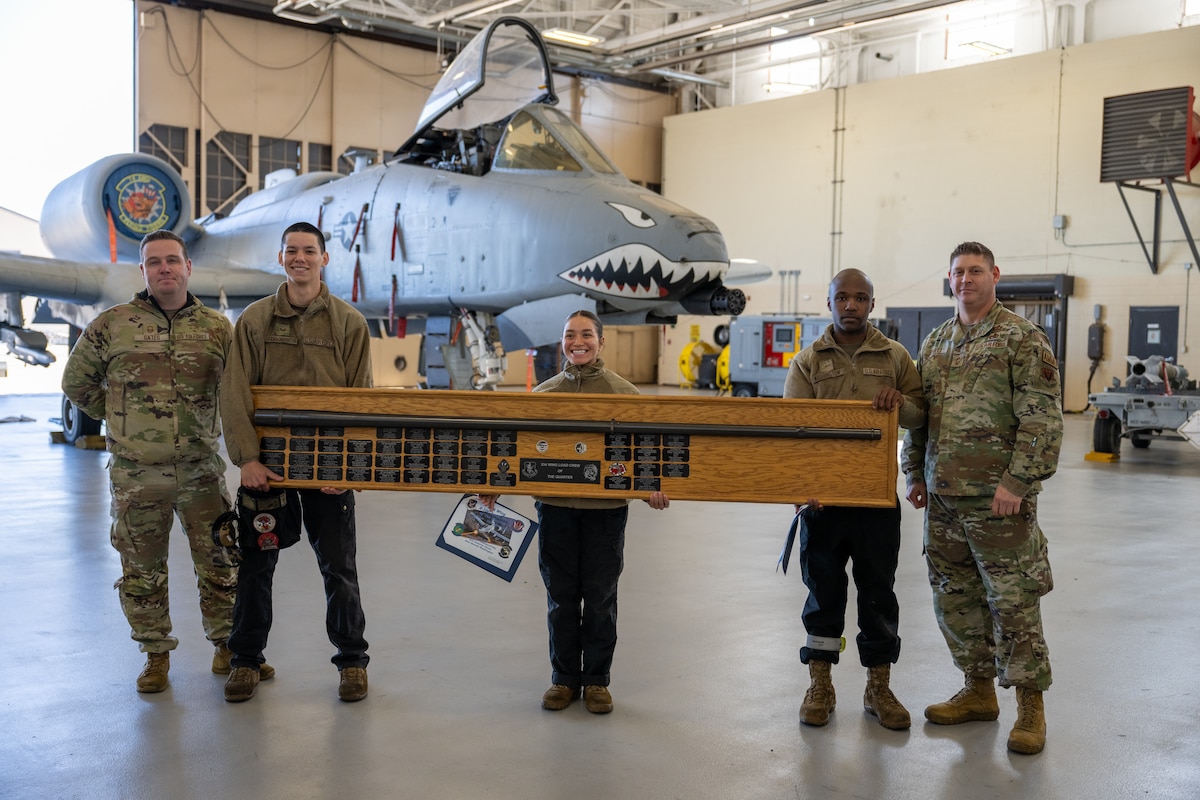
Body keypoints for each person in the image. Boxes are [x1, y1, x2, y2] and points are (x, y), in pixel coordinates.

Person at [61, 230, 266, 692]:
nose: (164, 269)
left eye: (172, 260)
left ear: (189, 267)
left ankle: (227, 648)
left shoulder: (217, 329)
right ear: (143, 271)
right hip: (137, 476)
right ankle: (155, 655)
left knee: (221, 564)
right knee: (141, 570)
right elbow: (77, 383)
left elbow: (235, 395)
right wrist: (121, 420)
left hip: (200, 471)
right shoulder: (112, 324)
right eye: (154, 262)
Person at [902, 241, 1062, 755]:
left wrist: (1017, 483)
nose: (966, 279)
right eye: (958, 272)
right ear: (949, 279)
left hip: (998, 502)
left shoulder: (1021, 338)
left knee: (1012, 603)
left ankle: (1030, 708)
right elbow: (921, 417)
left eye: (975, 270)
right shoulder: (936, 342)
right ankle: (977, 691)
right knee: (955, 600)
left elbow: (1042, 419)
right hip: (944, 499)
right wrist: (915, 472)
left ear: (994, 274)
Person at [480, 310, 668, 714]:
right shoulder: (544, 396)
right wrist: (496, 482)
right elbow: (518, 449)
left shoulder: (625, 395)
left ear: (602, 342)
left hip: (606, 514)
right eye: (569, 335)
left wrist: (651, 486)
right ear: (561, 341)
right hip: (556, 512)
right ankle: (564, 679)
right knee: (561, 598)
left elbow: (644, 454)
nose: (577, 341)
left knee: (600, 599)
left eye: (586, 334)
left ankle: (597, 681)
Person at [220, 221, 374, 703]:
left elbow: (361, 402)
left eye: (309, 251)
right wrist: (246, 458)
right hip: (267, 472)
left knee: (340, 571)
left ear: (324, 259)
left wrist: (348, 469)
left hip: (329, 473)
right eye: (292, 251)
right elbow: (234, 391)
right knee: (255, 567)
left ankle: (352, 662)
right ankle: (246, 660)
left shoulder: (349, 323)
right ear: (281, 258)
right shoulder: (255, 320)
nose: (300, 258)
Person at [782, 269, 925, 730]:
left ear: (871, 303)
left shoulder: (894, 356)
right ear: (829, 302)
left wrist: (898, 400)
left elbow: (922, 414)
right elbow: (791, 432)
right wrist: (801, 490)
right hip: (823, 504)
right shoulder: (808, 361)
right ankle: (820, 684)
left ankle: (878, 686)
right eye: (842, 297)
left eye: (859, 298)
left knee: (878, 593)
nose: (850, 305)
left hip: (877, 501)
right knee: (823, 593)